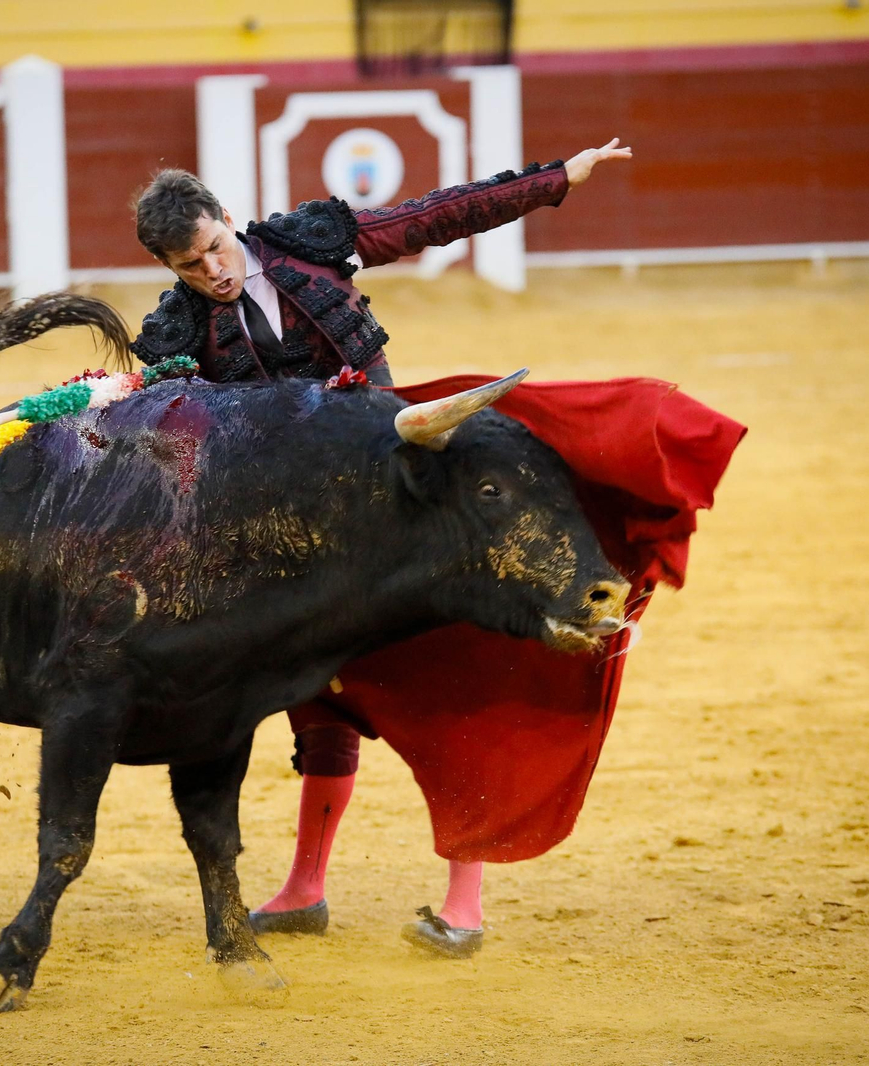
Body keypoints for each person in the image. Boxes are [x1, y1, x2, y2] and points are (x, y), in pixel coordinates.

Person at [129, 139, 631, 956]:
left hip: (400, 494)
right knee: (314, 693)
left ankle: (464, 904)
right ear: (169, 266)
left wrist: (552, 181)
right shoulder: (174, 333)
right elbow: (154, 436)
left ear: (227, 218)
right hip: (297, 532)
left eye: (216, 249)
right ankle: (304, 888)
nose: (214, 273)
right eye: (191, 267)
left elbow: (432, 216)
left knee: (448, 676)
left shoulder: (310, 244)